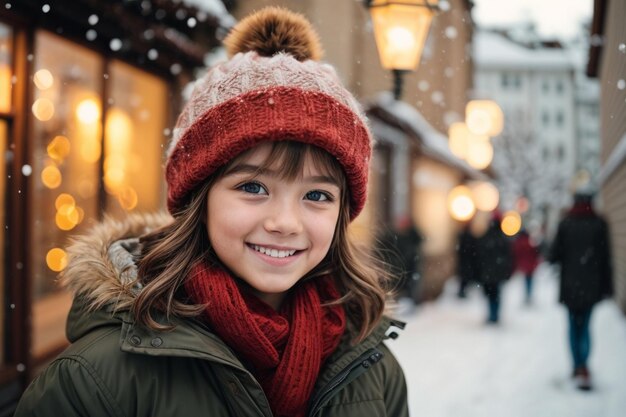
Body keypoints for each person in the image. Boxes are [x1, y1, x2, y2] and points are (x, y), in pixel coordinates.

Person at [15, 8, 408, 416]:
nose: (285, 223)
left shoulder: (373, 370)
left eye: (317, 196)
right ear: (198, 201)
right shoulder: (98, 378)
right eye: (253, 187)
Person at [549, 191, 613, 391]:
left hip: (570, 286)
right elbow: (606, 258)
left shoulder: (566, 223)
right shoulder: (599, 224)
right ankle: (583, 365)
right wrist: (607, 286)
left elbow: (553, 255)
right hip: (591, 286)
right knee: (585, 326)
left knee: (572, 327)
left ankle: (576, 364)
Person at [474, 211, 514, 324]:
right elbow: (508, 256)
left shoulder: (485, 237)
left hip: (487, 271)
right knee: (496, 294)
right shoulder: (502, 239)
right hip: (497, 272)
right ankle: (494, 314)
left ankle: (492, 314)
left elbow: (479, 255)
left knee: (490, 294)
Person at [376, 215, 423, 304]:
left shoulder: (411, 237)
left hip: (409, 270)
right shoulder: (392, 238)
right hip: (398, 270)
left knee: (410, 290)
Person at [512, 228, 541, 304]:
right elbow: (535, 254)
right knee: (529, 281)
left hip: (524, 265)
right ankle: (529, 295)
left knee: (526, 281)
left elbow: (516, 254)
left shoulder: (519, 243)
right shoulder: (530, 243)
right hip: (530, 266)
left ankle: (527, 295)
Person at [456, 223, 478, 298]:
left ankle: (463, 291)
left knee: (464, 277)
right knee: (465, 277)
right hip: (467, 262)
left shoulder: (463, 238)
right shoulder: (470, 238)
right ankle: (463, 292)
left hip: (465, 262)